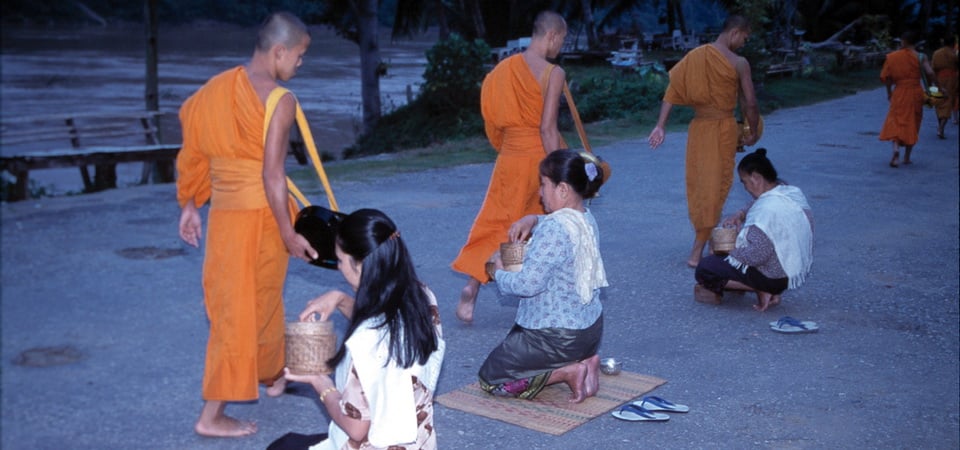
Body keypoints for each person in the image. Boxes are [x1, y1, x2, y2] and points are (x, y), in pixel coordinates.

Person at [176, 12, 318, 437]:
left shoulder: (212, 92)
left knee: (253, 302)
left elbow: (193, 157)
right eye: (299, 55)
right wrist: (288, 231)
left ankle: (272, 373)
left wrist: (189, 205)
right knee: (243, 311)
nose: (300, 64)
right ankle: (212, 415)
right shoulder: (280, 99)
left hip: (223, 217)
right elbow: (273, 176)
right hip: (261, 217)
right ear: (279, 51)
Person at [281, 209, 445, 449]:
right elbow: (381, 321)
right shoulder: (421, 296)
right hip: (419, 441)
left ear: (359, 266)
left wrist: (318, 381)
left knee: (283, 445)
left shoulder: (365, 342)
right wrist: (340, 299)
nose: (339, 267)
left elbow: (356, 429)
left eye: (340, 260)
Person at [453, 11, 569, 323]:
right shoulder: (552, 73)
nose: (561, 47)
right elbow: (548, 128)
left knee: (495, 223)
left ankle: (472, 287)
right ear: (553, 36)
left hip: (509, 156)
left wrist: (507, 149)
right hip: (539, 159)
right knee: (529, 227)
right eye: (562, 40)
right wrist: (558, 173)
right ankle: (520, 291)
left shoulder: (500, 71)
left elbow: (492, 123)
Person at [478, 150, 607, 403]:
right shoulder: (586, 217)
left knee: (491, 379)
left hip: (559, 337)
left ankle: (566, 372)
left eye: (543, 184)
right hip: (589, 333)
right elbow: (556, 229)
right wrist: (533, 219)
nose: (539, 192)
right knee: (515, 344)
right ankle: (587, 362)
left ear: (562, 190)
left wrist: (498, 272)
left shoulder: (554, 228)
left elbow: (527, 285)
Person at [647, 15, 760, 268]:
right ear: (735, 32)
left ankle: (710, 244)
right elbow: (750, 102)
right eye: (744, 37)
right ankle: (697, 251)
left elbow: (672, 92)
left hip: (699, 129)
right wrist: (752, 129)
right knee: (712, 189)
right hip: (722, 129)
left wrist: (660, 125)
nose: (743, 42)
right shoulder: (739, 63)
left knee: (704, 187)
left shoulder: (696, 56)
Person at [694, 148, 813, 312]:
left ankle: (761, 289)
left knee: (705, 268)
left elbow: (756, 255)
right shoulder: (788, 193)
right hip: (789, 271)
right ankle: (765, 287)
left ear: (756, 178)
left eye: (745, 182)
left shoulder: (767, 211)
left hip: (772, 277)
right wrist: (740, 214)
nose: (745, 188)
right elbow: (756, 203)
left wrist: (726, 250)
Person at [879, 31, 937, 167]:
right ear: (915, 43)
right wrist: (935, 87)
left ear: (903, 41)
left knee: (896, 120)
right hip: (915, 92)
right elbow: (930, 73)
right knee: (913, 121)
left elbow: (887, 78)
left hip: (899, 91)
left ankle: (895, 149)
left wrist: (889, 93)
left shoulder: (892, 57)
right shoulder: (920, 56)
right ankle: (907, 157)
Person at [932, 35, 959, 138]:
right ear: (953, 43)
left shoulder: (936, 53)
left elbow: (933, 68)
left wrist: (932, 82)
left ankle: (940, 126)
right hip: (951, 80)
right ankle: (941, 128)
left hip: (937, 79)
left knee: (938, 102)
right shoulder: (954, 54)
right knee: (948, 103)